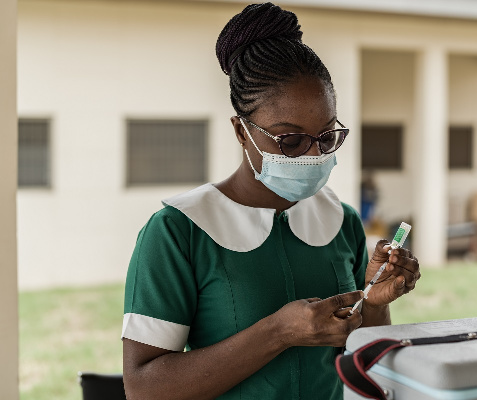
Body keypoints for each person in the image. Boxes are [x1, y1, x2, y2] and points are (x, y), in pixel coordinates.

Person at [121, 3, 420, 400]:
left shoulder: (340, 221)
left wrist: (376, 304)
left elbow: (362, 359)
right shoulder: (180, 231)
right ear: (242, 132)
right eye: (289, 140)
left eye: (326, 136)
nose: (312, 155)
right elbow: (143, 388)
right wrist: (277, 333)